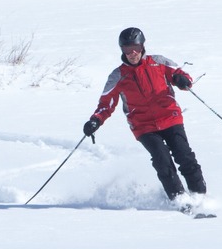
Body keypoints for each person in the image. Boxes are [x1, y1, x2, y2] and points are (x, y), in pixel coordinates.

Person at [83, 27, 207, 204]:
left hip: (169, 117)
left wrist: (183, 80)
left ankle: (199, 196)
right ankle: (179, 199)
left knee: (184, 155)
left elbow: (179, 74)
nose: (132, 53)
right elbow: (106, 104)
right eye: (127, 49)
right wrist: (95, 120)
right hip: (143, 126)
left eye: (136, 48)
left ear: (142, 47)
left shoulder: (159, 62)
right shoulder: (117, 75)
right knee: (162, 159)